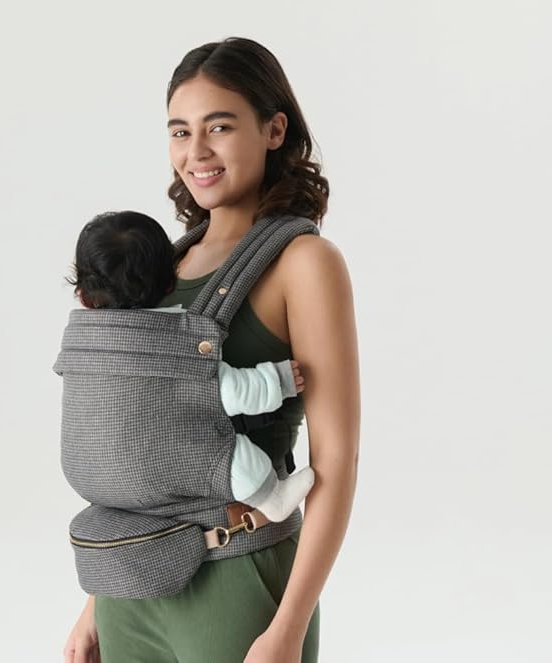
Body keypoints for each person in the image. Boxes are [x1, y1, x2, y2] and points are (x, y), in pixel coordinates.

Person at [63, 36, 360, 663]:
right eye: (180, 131)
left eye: (218, 127)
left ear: (274, 130)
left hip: (238, 582)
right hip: (130, 587)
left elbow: (336, 461)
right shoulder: (162, 267)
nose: (195, 151)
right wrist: (93, 604)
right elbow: (139, 444)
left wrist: (287, 628)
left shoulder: (304, 262)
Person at [67, 209, 316, 522]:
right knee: (230, 455)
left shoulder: (80, 347)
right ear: (171, 283)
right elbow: (230, 392)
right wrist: (278, 381)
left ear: (83, 297)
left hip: (90, 476)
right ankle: (272, 498)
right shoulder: (177, 342)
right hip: (162, 472)